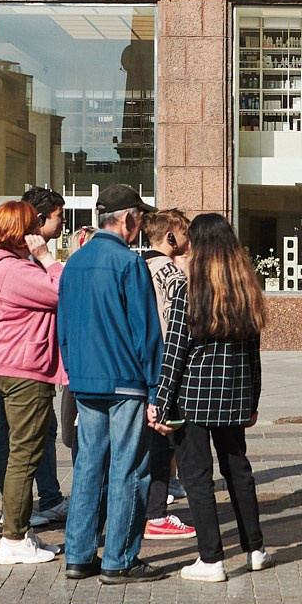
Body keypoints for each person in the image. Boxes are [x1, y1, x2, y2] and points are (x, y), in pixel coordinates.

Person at [150, 212, 272, 582]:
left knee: (197, 476)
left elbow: (175, 352)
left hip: (195, 397)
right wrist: (253, 402)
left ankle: (211, 558)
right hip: (235, 396)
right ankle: (255, 549)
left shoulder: (192, 289)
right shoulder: (246, 287)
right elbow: (254, 353)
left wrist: (161, 401)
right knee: (238, 470)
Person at [56, 184, 166, 583]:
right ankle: (119, 557)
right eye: (139, 217)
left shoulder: (75, 262)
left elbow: (63, 326)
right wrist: (156, 389)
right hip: (125, 382)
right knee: (129, 468)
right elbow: (146, 332)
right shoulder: (128, 263)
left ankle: (79, 554)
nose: (141, 225)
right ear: (127, 219)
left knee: (88, 466)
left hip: (85, 380)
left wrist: (72, 371)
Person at [0, 198, 65, 565]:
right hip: (25, 368)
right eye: (31, 226)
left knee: (24, 449)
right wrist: (48, 258)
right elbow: (64, 290)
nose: (36, 232)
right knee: (25, 454)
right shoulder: (16, 271)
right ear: (20, 233)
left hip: (16, 365)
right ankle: (14, 538)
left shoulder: (5, 264)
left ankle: (20, 533)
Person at [139, 208, 195, 542]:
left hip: (138, 366)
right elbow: (178, 327)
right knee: (164, 443)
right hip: (166, 367)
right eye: (184, 233)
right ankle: (156, 513)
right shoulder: (173, 277)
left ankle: (147, 508)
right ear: (171, 235)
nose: (188, 240)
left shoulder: (136, 268)